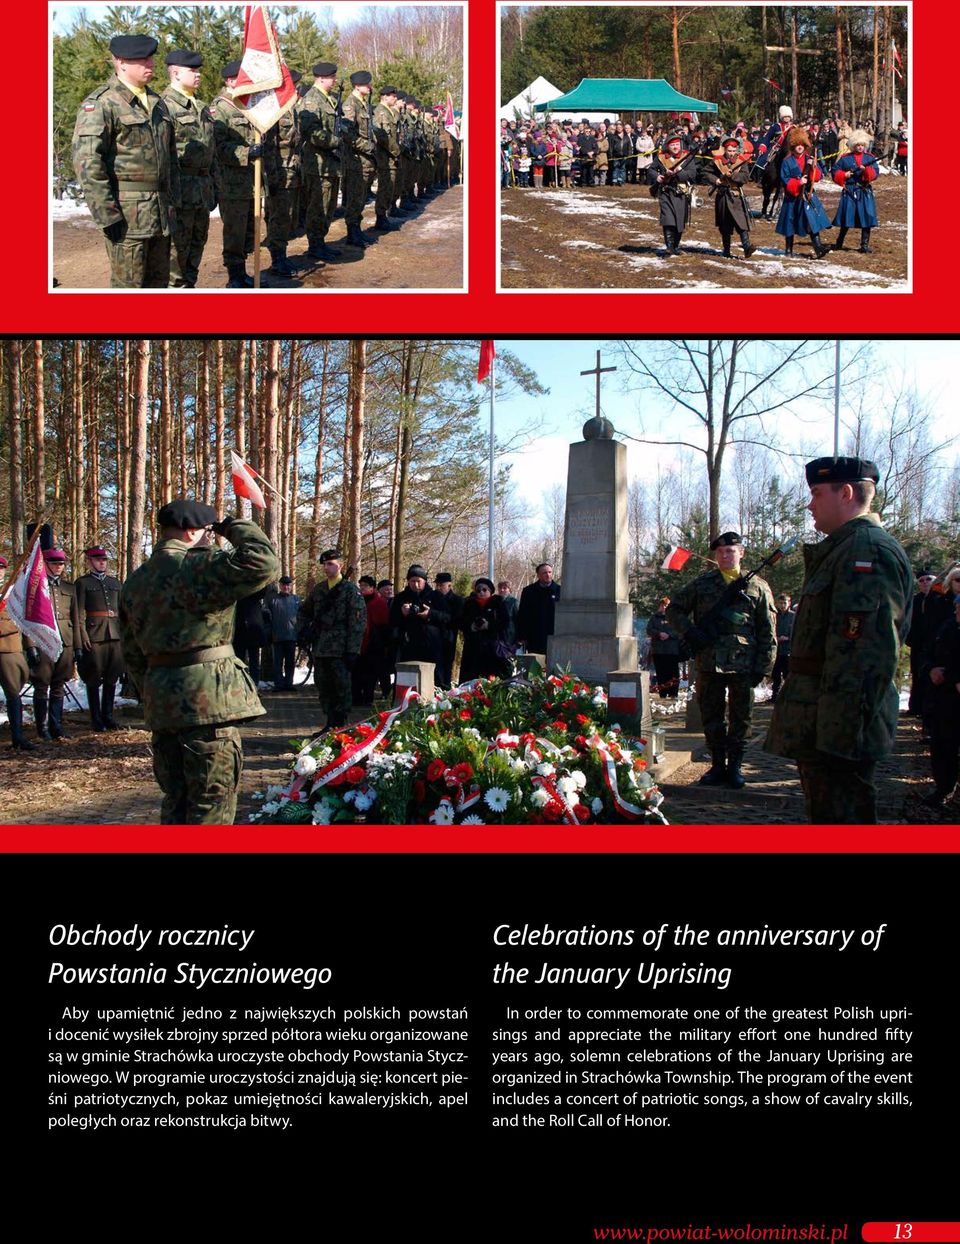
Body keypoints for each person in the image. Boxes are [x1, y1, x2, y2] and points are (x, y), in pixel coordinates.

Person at [765, 457, 914, 824]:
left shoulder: (866, 552)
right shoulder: (844, 549)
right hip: (825, 723)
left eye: (816, 493)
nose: (809, 504)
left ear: (845, 493)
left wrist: (840, 739)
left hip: (838, 732)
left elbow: (864, 657)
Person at [119, 501, 279, 823]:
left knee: (175, 800)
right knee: (211, 804)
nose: (210, 538)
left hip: (163, 705)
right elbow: (264, 563)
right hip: (208, 705)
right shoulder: (200, 567)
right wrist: (231, 525)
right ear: (193, 531)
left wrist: (153, 692)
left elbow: (132, 651)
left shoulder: (135, 582)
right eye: (207, 532)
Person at [667, 533, 776, 789]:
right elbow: (674, 609)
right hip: (709, 662)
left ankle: (735, 767)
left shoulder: (757, 586)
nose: (725, 556)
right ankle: (717, 765)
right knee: (711, 715)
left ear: (742, 553)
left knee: (741, 718)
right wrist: (690, 631)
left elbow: (767, 631)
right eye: (720, 552)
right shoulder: (702, 584)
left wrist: (764, 667)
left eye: (730, 551)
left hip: (743, 664)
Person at [72, 33, 180, 288]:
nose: (151, 64)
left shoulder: (157, 103)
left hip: (161, 217)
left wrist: (174, 204)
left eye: (151, 59)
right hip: (127, 220)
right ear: (121, 62)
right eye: (142, 60)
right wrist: (107, 216)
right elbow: (88, 164)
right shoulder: (102, 104)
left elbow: (170, 159)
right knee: (128, 289)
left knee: (159, 286)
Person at [211, 60, 279, 287]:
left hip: (252, 182)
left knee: (250, 232)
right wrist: (246, 152)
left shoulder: (248, 105)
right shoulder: (221, 107)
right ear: (231, 81)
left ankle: (244, 273)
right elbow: (218, 147)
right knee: (235, 233)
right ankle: (235, 277)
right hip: (232, 185)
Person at [162, 48, 216, 288]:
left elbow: (210, 150)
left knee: (197, 246)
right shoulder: (163, 106)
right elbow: (163, 154)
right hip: (179, 192)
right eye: (192, 70)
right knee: (176, 254)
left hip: (201, 190)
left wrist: (214, 186)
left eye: (198, 70)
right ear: (174, 72)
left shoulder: (201, 106)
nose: (198, 74)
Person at [297, 549, 366, 729]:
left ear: (340, 565)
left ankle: (341, 725)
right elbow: (304, 611)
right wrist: (303, 631)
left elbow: (357, 624)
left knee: (341, 689)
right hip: (321, 648)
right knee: (324, 688)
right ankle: (329, 724)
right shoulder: (319, 590)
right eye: (324, 564)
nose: (326, 568)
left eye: (330, 564)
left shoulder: (350, 591)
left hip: (340, 650)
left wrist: (353, 650)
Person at [28, 549, 81, 742]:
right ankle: (42, 729)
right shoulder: (36, 588)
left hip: (65, 643)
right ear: (47, 564)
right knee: (42, 686)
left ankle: (56, 726)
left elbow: (76, 619)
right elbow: (29, 620)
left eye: (61, 564)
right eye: (54, 564)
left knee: (59, 685)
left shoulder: (69, 588)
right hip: (44, 642)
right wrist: (31, 646)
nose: (58, 567)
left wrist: (78, 646)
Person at [74, 546, 124, 731]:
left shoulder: (115, 583)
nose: (101, 562)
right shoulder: (83, 583)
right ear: (90, 561)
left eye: (104, 559)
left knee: (112, 677)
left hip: (115, 634)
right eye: (97, 559)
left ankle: (108, 716)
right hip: (94, 635)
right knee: (93, 677)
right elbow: (78, 613)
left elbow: (124, 611)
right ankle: (96, 718)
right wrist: (82, 635)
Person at [918, 590, 960, 809]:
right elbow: (926, 653)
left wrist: (953, 676)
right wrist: (931, 669)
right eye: (956, 607)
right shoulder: (946, 628)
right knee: (943, 746)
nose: (956, 610)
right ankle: (943, 788)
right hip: (943, 699)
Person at [299, 63, 343, 262]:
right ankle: (314, 245)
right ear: (321, 78)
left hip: (331, 163)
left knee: (329, 206)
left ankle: (320, 242)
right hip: (317, 165)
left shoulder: (329, 100)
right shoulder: (311, 100)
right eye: (332, 78)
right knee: (318, 207)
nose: (334, 81)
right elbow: (312, 133)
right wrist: (336, 142)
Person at [264, 69, 302, 276]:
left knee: (286, 217)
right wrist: (272, 176)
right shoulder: (275, 109)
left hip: (292, 170)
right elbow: (269, 145)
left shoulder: (290, 109)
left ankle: (282, 256)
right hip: (279, 172)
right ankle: (277, 260)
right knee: (278, 217)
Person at [775, 127, 832, 259]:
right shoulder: (786, 161)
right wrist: (798, 182)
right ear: (793, 145)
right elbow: (785, 179)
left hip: (807, 195)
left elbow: (817, 177)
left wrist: (812, 167)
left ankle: (818, 247)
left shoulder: (809, 158)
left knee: (812, 220)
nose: (800, 147)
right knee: (790, 223)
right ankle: (788, 250)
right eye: (797, 145)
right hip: (792, 196)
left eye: (802, 144)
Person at [389, 564, 450, 678]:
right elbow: (392, 621)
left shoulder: (436, 596)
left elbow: (447, 618)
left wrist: (430, 614)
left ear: (425, 581)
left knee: (433, 680)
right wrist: (402, 613)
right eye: (412, 581)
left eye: (418, 581)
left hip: (432, 646)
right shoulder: (400, 598)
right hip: (408, 646)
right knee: (408, 680)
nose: (415, 584)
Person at [0, 555, 35, 750]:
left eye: (1, 568)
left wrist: (30, 647)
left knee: (14, 694)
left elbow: (23, 621)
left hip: (8, 650)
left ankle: (17, 736)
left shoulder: (13, 594)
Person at [702, 136, 756, 259]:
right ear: (725, 150)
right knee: (724, 225)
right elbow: (705, 173)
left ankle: (747, 247)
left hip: (736, 195)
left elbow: (745, 177)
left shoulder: (741, 161)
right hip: (723, 195)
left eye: (733, 151)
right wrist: (716, 180)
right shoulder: (717, 161)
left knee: (742, 223)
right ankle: (726, 250)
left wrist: (732, 176)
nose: (731, 153)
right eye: (729, 151)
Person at [340, 70, 377, 248]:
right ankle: (352, 233)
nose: (370, 87)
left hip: (364, 160)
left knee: (360, 197)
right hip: (355, 160)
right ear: (357, 86)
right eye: (367, 84)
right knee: (354, 198)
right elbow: (348, 134)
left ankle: (356, 230)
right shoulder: (351, 105)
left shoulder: (362, 104)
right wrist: (368, 147)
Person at [646, 132, 697, 255]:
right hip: (666, 192)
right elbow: (651, 170)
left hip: (681, 193)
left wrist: (678, 172)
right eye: (672, 145)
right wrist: (658, 177)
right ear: (668, 146)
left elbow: (692, 174)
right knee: (668, 219)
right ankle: (669, 247)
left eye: (677, 144)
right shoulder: (661, 157)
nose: (675, 147)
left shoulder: (687, 157)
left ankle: (675, 246)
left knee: (679, 221)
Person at [831, 129, 880, 254]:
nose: (860, 147)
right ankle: (839, 242)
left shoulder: (870, 157)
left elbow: (875, 173)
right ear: (853, 145)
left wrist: (866, 170)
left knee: (867, 218)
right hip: (850, 190)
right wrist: (844, 175)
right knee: (846, 218)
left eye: (862, 145)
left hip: (864, 191)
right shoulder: (845, 159)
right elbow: (835, 171)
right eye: (858, 145)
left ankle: (864, 245)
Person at [906, 567, 946, 717]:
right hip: (918, 645)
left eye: (928, 579)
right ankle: (916, 707)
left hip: (937, 645)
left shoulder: (942, 599)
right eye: (921, 581)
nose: (924, 583)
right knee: (917, 674)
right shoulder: (914, 601)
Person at [459, 579, 512, 682]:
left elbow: (505, 622)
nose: (481, 592)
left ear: (490, 591)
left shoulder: (498, 602)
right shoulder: (469, 603)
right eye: (478, 590)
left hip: (492, 647)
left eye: (484, 589)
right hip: (473, 648)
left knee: (492, 678)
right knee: (471, 679)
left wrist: (489, 625)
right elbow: (461, 621)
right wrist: (472, 626)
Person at [353, 575, 391, 706]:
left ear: (372, 588)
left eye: (365, 586)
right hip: (359, 642)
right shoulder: (359, 601)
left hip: (374, 644)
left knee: (370, 674)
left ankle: (367, 698)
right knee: (358, 672)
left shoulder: (378, 603)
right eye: (361, 586)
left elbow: (384, 624)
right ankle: (357, 698)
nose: (362, 588)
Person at [372, 85, 402, 232]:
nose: (395, 98)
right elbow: (383, 137)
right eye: (392, 95)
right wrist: (396, 151)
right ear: (384, 96)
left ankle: (383, 216)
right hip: (384, 157)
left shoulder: (388, 112)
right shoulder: (381, 112)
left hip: (389, 157)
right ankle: (380, 217)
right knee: (384, 187)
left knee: (388, 187)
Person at [516, 563, 561, 659]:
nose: (548, 575)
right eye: (544, 573)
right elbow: (523, 614)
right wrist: (522, 636)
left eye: (550, 572)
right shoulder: (528, 591)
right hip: (534, 635)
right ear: (538, 575)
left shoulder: (560, 590)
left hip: (554, 634)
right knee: (535, 666)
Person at [266, 575, 300, 691]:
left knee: (290, 662)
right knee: (277, 663)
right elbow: (267, 617)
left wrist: (300, 632)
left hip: (291, 636)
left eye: (288, 585)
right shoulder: (273, 599)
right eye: (284, 585)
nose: (286, 587)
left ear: (291, 586)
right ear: (280, 586)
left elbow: (301, 617)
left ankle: (289, 683)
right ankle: (278, 684)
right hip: (277, 636)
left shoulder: (296, 600)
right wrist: (269, 633)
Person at [433, 572, 463, 689]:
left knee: (446, 665)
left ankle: (445, 688)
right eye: (438, 585)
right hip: (434, 636)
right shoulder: (433, 597)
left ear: (449, 585)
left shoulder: (457, 600)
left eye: (442, 585)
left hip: (449, 636)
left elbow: (455, 619)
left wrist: (434, 614)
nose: (439, 588)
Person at [648, 596, 681, 699]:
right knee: (661, 673)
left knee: (673, 673)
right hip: (658, 650)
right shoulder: (654, 618)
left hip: (672, 651)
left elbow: (679, 630)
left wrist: (669, 635)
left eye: (666, 605)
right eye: (663, 605)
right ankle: (663, 693)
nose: (664, 608)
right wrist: (658, 634)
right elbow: (649, 630)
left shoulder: (674, 617)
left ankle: (673, 693)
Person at [770, 592, 795, 703]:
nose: (782, 605)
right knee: (775, 676)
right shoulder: (774, 615)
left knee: (787, 675)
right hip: (776, 650)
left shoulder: (793, 616)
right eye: (780, 603)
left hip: (788, 650)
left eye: (785, 603)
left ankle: (789, 696)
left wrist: (788, 638)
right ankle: (775, 696)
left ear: (789, 603)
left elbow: (797, 632)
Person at [498, 580, 519, 647]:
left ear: (509, 590)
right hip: (498, 635)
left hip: (509, 635)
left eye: (504, 588)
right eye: (500, 588)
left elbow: (518, 620)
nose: (502, 590)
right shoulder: (495, 601)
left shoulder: (514, 602)